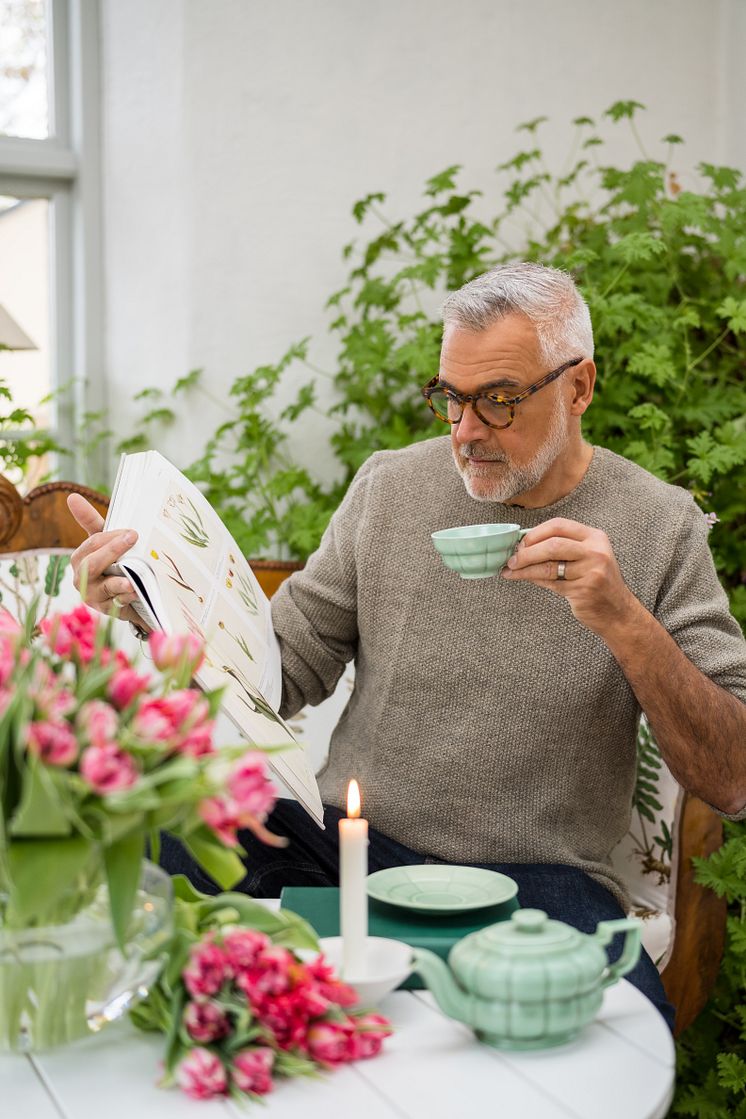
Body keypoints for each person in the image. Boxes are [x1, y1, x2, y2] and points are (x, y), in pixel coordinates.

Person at [68, 262, 746, 1031]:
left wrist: (626, 620)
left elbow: (733, 777)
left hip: (538, 881)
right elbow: (279, 672)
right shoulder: (389, 488)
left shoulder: (661, 526)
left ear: (579, 388)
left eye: (498, 400)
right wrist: (149, 599)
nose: (464, 431)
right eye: (450, 398)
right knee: (167, 839)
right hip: (350, 849)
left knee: (626, 1024)